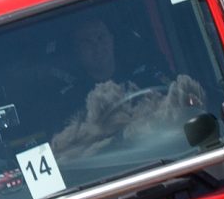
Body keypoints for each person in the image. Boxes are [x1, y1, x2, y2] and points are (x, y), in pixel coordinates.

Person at [52, 19, 202, 158]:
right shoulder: (71, 100)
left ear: (111, 40)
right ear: (77, 51)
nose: (96, 46)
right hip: (111, 168)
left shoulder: (145, 75)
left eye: (101, 37)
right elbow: (69, 149)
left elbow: (182, 105)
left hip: (166, 154)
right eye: (87, 42)